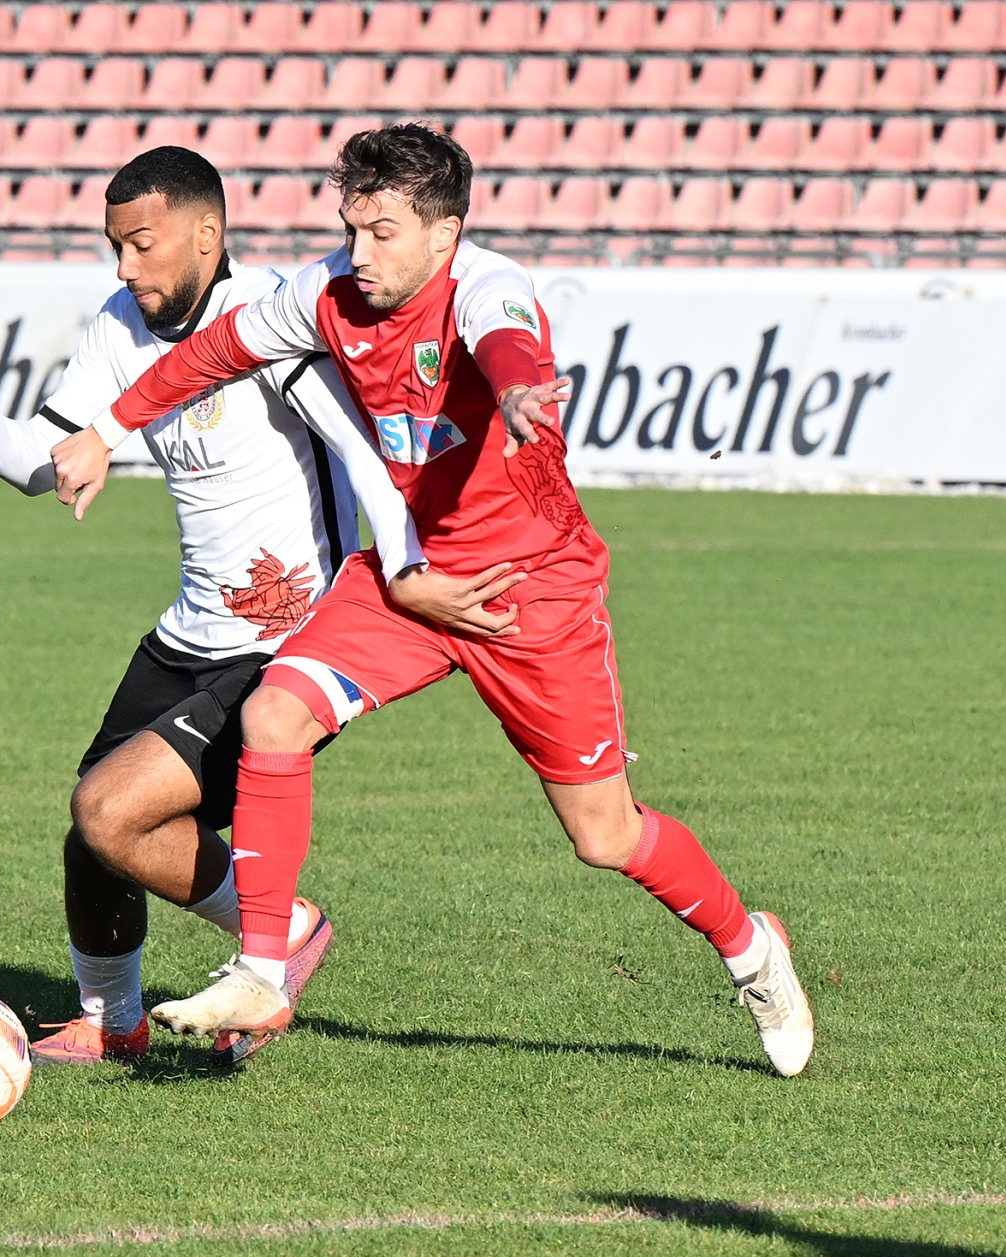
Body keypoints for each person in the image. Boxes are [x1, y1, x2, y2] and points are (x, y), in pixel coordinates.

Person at [47, 125, 815, 1078]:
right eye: (351, 228)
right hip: (409, 580)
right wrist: (108, 430)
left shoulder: (488, 287)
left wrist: (520, 390)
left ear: (445, 234)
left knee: (604, 834)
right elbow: (212, 354)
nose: (359, 253)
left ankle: (752, 949)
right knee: (275, 712)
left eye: (382, 234)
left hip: (525, 595)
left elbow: (507, 340)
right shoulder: (327, 293)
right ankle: (262, 968)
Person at [0, 146, 444, 1067]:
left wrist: (407, 569)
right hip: (186, 635)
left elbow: (365, 454)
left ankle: (284, 929)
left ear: (207, 233)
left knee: (110, 811)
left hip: (281, 645)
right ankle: (112, 1023)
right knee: (92, 833)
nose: (125, 267)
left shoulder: (271, 318)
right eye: (114, 246)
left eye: (142, 244)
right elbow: (46, 463)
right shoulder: (121, 324)